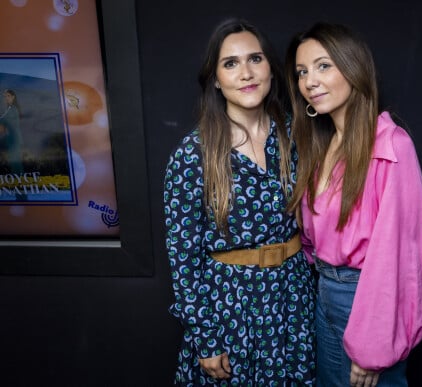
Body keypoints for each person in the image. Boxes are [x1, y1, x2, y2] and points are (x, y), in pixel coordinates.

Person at [163, 18, 316, 386]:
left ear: (271, 69)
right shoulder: (194, 153)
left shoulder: (297, 133)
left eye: (255, 59)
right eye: (230, 63)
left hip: (293, 300)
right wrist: (206, 336)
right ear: (215, 78)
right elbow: (182, 256)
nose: (246, 73)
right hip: (230, 308)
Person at [285, 22, 422, 387]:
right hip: (325, 294)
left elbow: (398, 257)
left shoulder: (391, 146)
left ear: (353, 67)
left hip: (364, 301)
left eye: (323, 66)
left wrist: (374, 345)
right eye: (302, 72)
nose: (310, 81)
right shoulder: (320, 146)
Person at [0, 89, 24, 176]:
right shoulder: (9, 109)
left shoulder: (13, 109)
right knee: (13, 162)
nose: (6, 98)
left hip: (15, 139)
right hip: (11, 139)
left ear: (13, 97)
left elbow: (3, 119)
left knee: (15, 163)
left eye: (8, 96)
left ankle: (21, 184)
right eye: (5, 96)